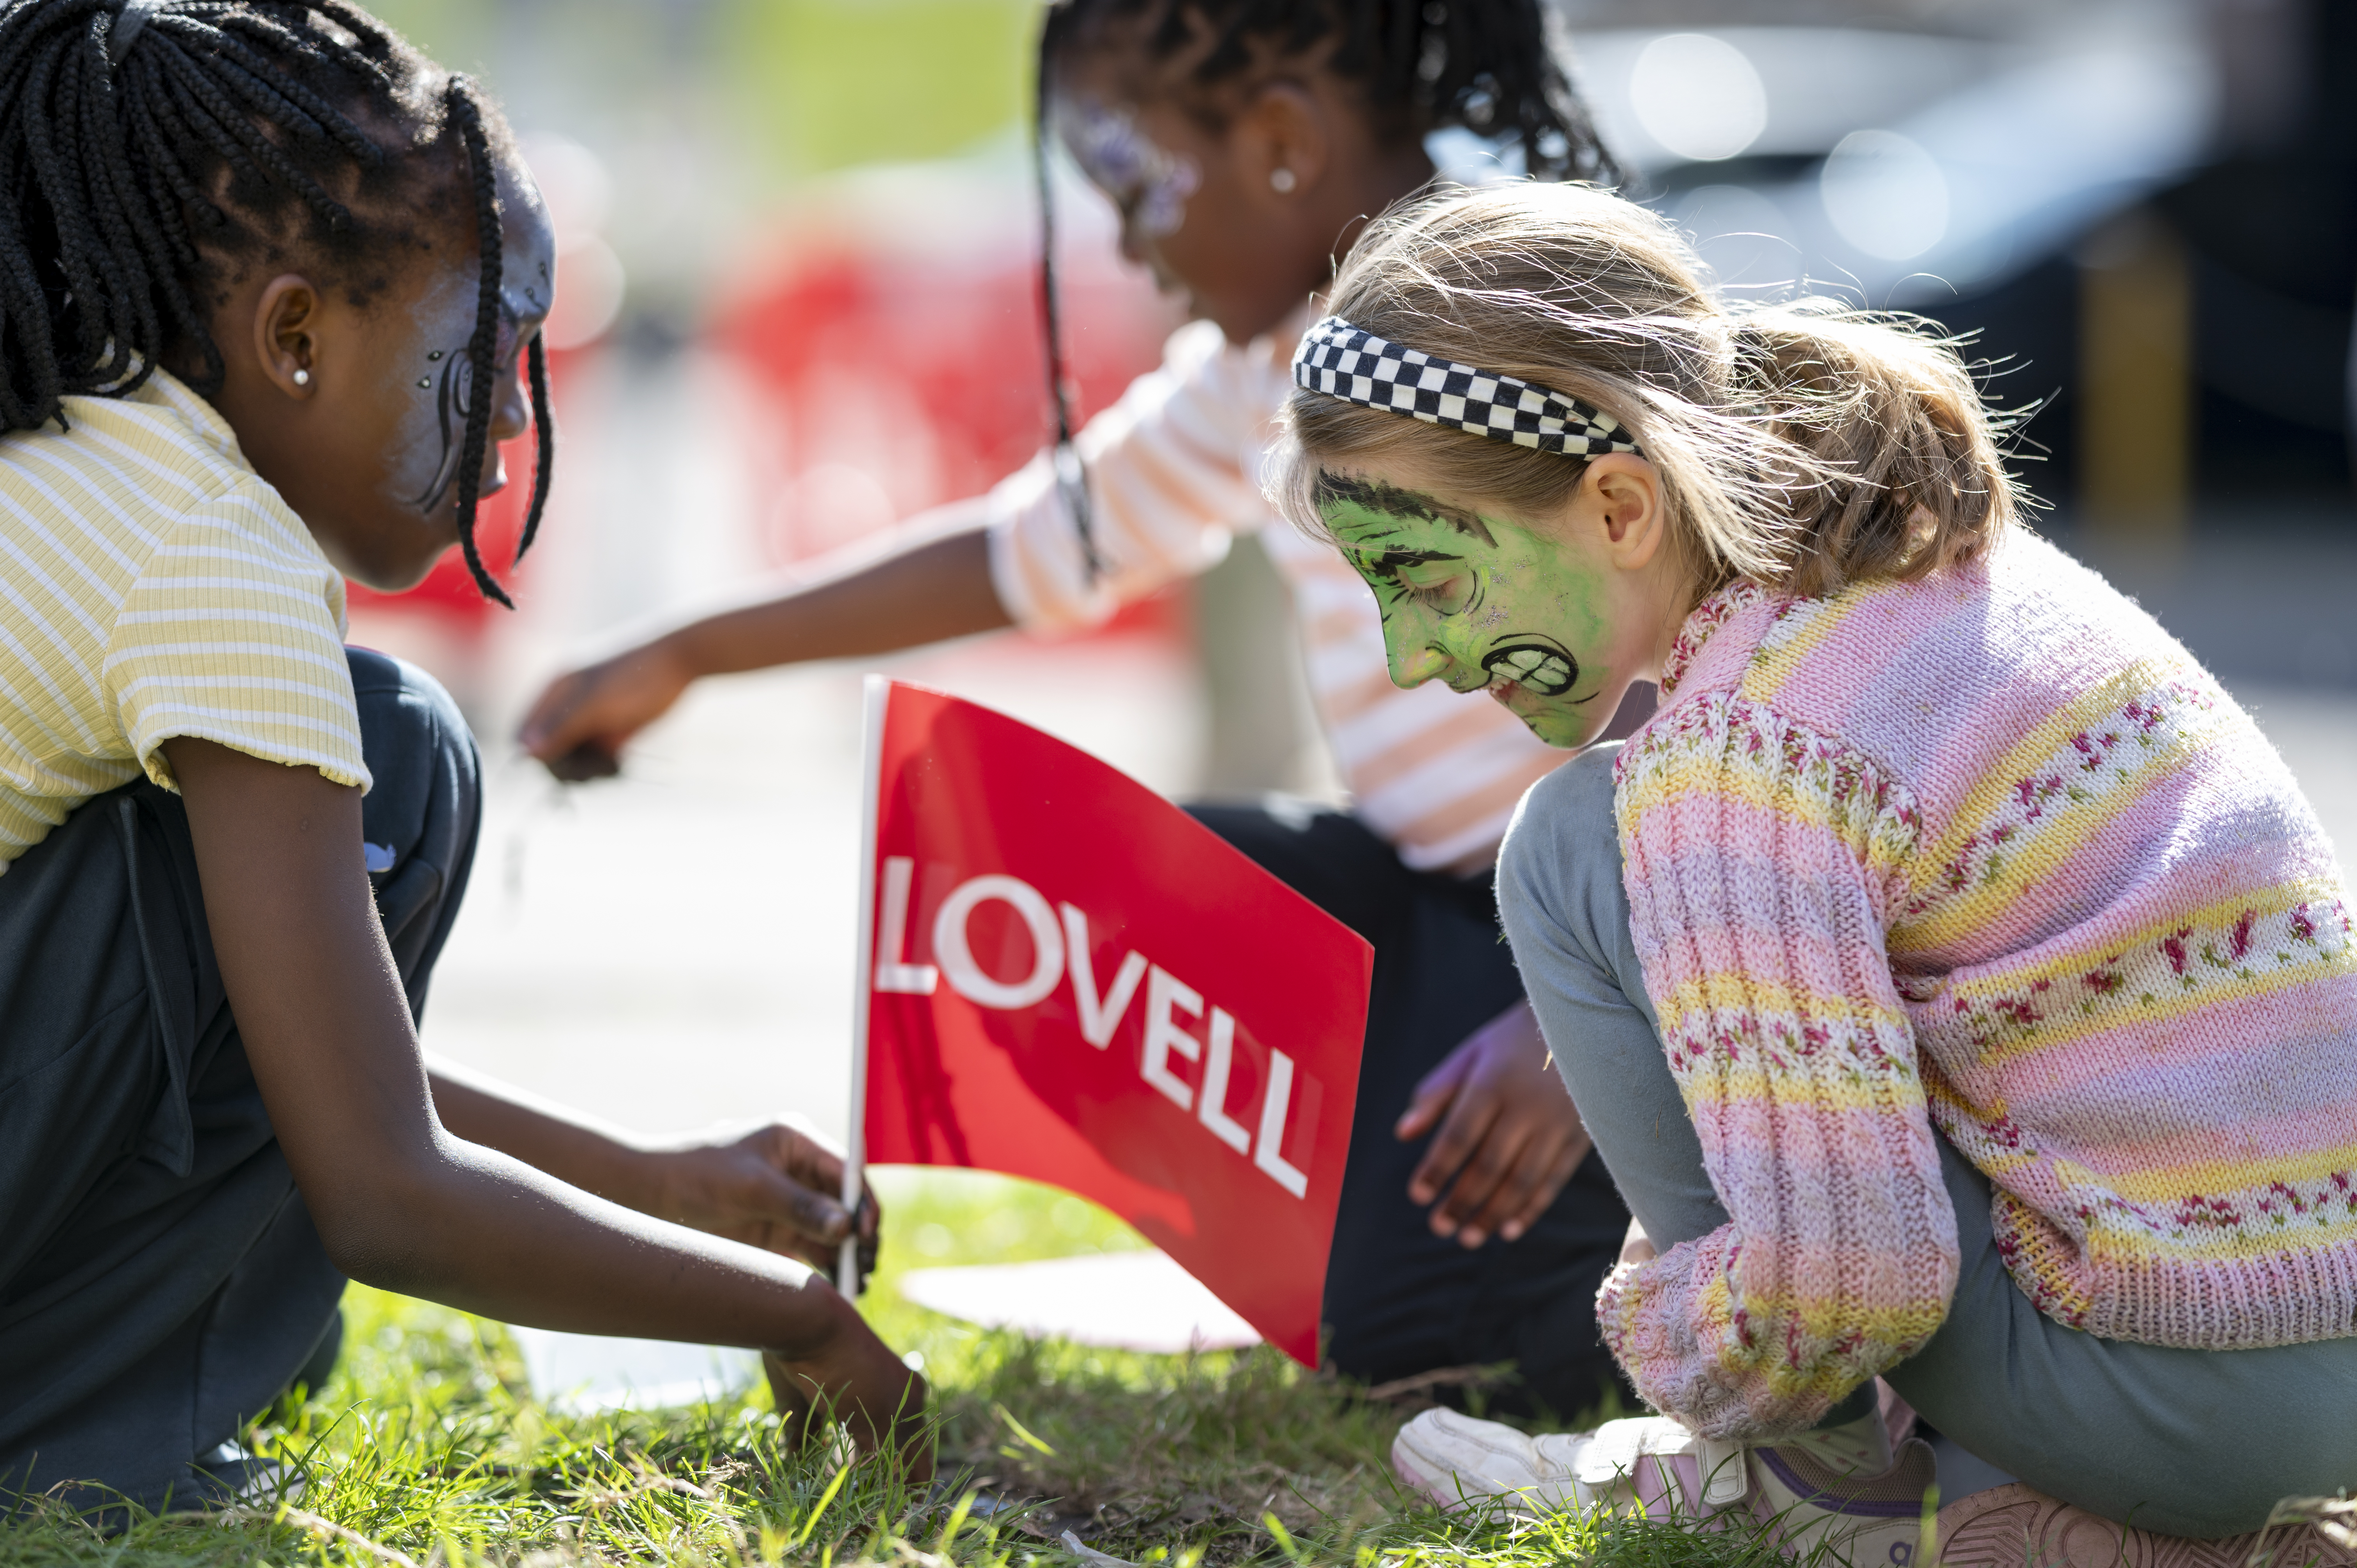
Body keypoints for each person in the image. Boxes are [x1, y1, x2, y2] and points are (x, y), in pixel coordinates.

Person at [521, 0, 1635, 1416]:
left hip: (1643, 931)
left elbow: (1715, 700)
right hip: (1445, 910)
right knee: (1119, 874)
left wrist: (1579, 1010)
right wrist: (688, 649)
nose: (1126, 247)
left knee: (1418, 1344)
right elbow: (1029, 548)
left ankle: (1625, 1278)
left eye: (1136, 190)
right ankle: (1417, 1254)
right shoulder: (1271, 365)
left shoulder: (1509, 319)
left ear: (1283, 141)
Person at [1274, 179, 2357, 1557]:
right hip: (2313, 1364)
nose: (1409, 658)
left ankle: (1802, 1485)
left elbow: (1857, 1278)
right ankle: (1997, 1494)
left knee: (1570, 849)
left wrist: (1670, 1335)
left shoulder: (1743, 754)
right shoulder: (1896, 555)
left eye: (1429, 580)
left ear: (1619, 507)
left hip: (2182, 1389)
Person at [0, 0, 923, 1516]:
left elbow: (305, 1046)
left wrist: (662, 1181)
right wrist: (802, 1321)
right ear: (294, 334)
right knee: (402, 756)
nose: (514, 416)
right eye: (487, 348)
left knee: (362, 763)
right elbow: (381, 1186)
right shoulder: (204, 556)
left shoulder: (90, 441)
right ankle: (73, 1434)